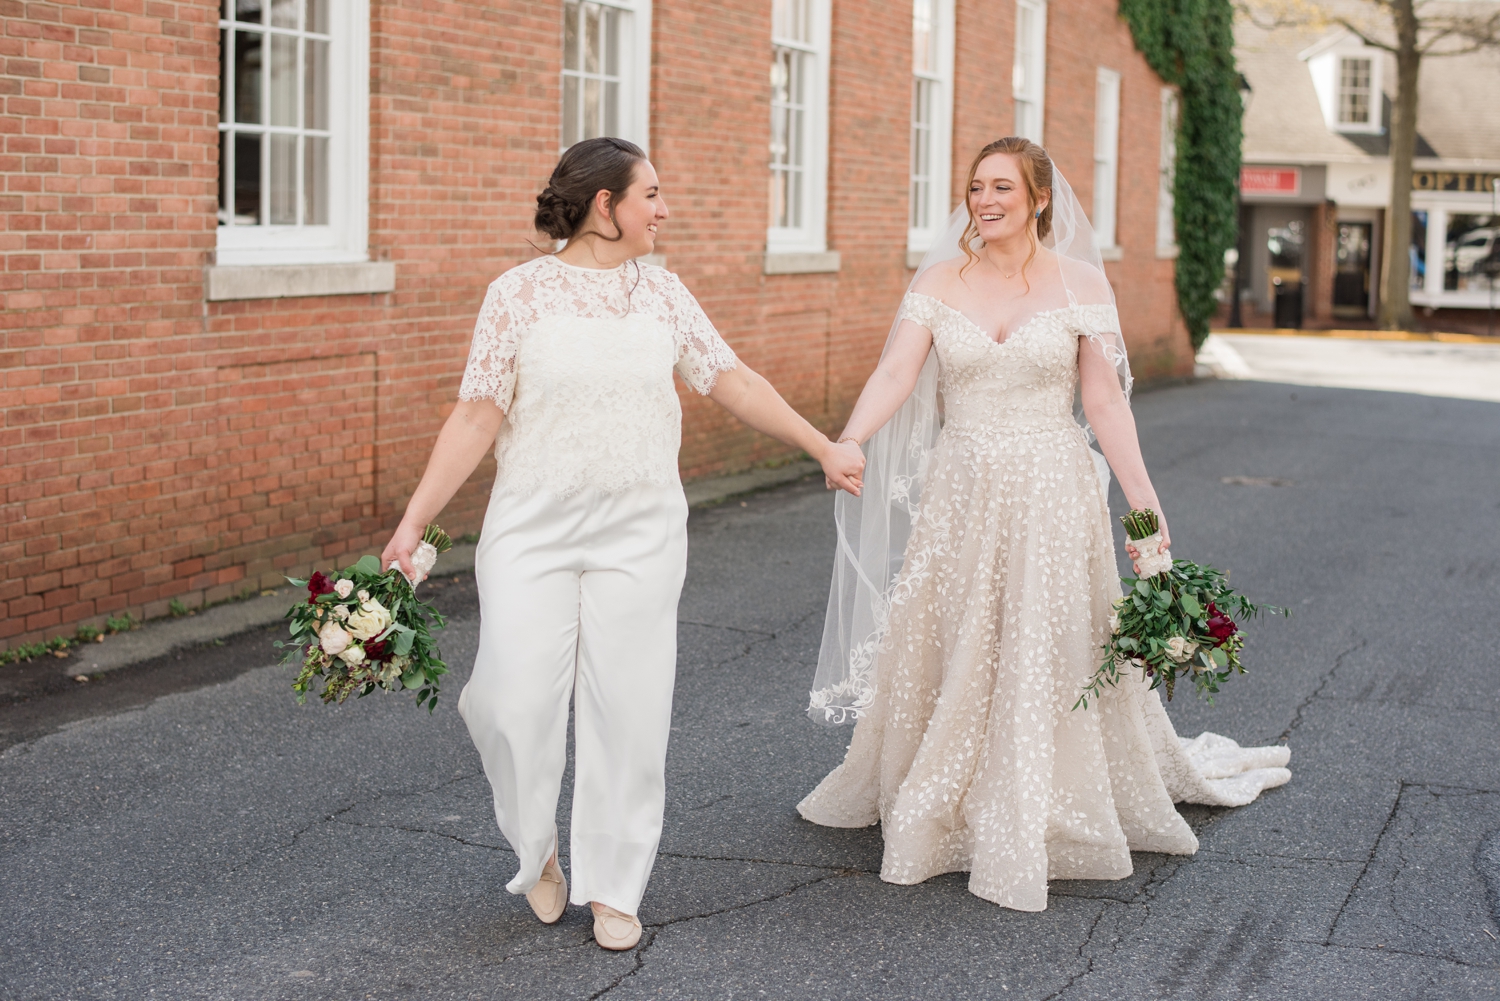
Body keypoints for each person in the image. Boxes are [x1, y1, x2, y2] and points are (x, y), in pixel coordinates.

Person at [381, 137, 866, 949]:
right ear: (605, 207)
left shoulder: (665, 295)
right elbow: (476, 413)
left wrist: (821, 445)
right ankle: (537, 848)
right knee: (510, 698)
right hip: (530, 527)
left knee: (629, 710)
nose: (663, 210)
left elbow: (731, 378)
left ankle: (614, 886)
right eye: (650, 195)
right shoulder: (517, 295)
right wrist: (414, 520)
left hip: (640, 530)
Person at [798, 137, 1290, 912]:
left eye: (1001, 187)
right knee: (955, 628)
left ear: (1038, 199)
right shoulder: (938, 280)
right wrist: (852, 437)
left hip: (1051, 487)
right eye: (974, 187)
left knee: (1043, 636)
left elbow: (1103, 401)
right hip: (961, 486)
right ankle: (943, 784)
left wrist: (1142, 498)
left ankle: (1035, 797)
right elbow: (897, 370)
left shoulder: (1080, 285)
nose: (983, 200)